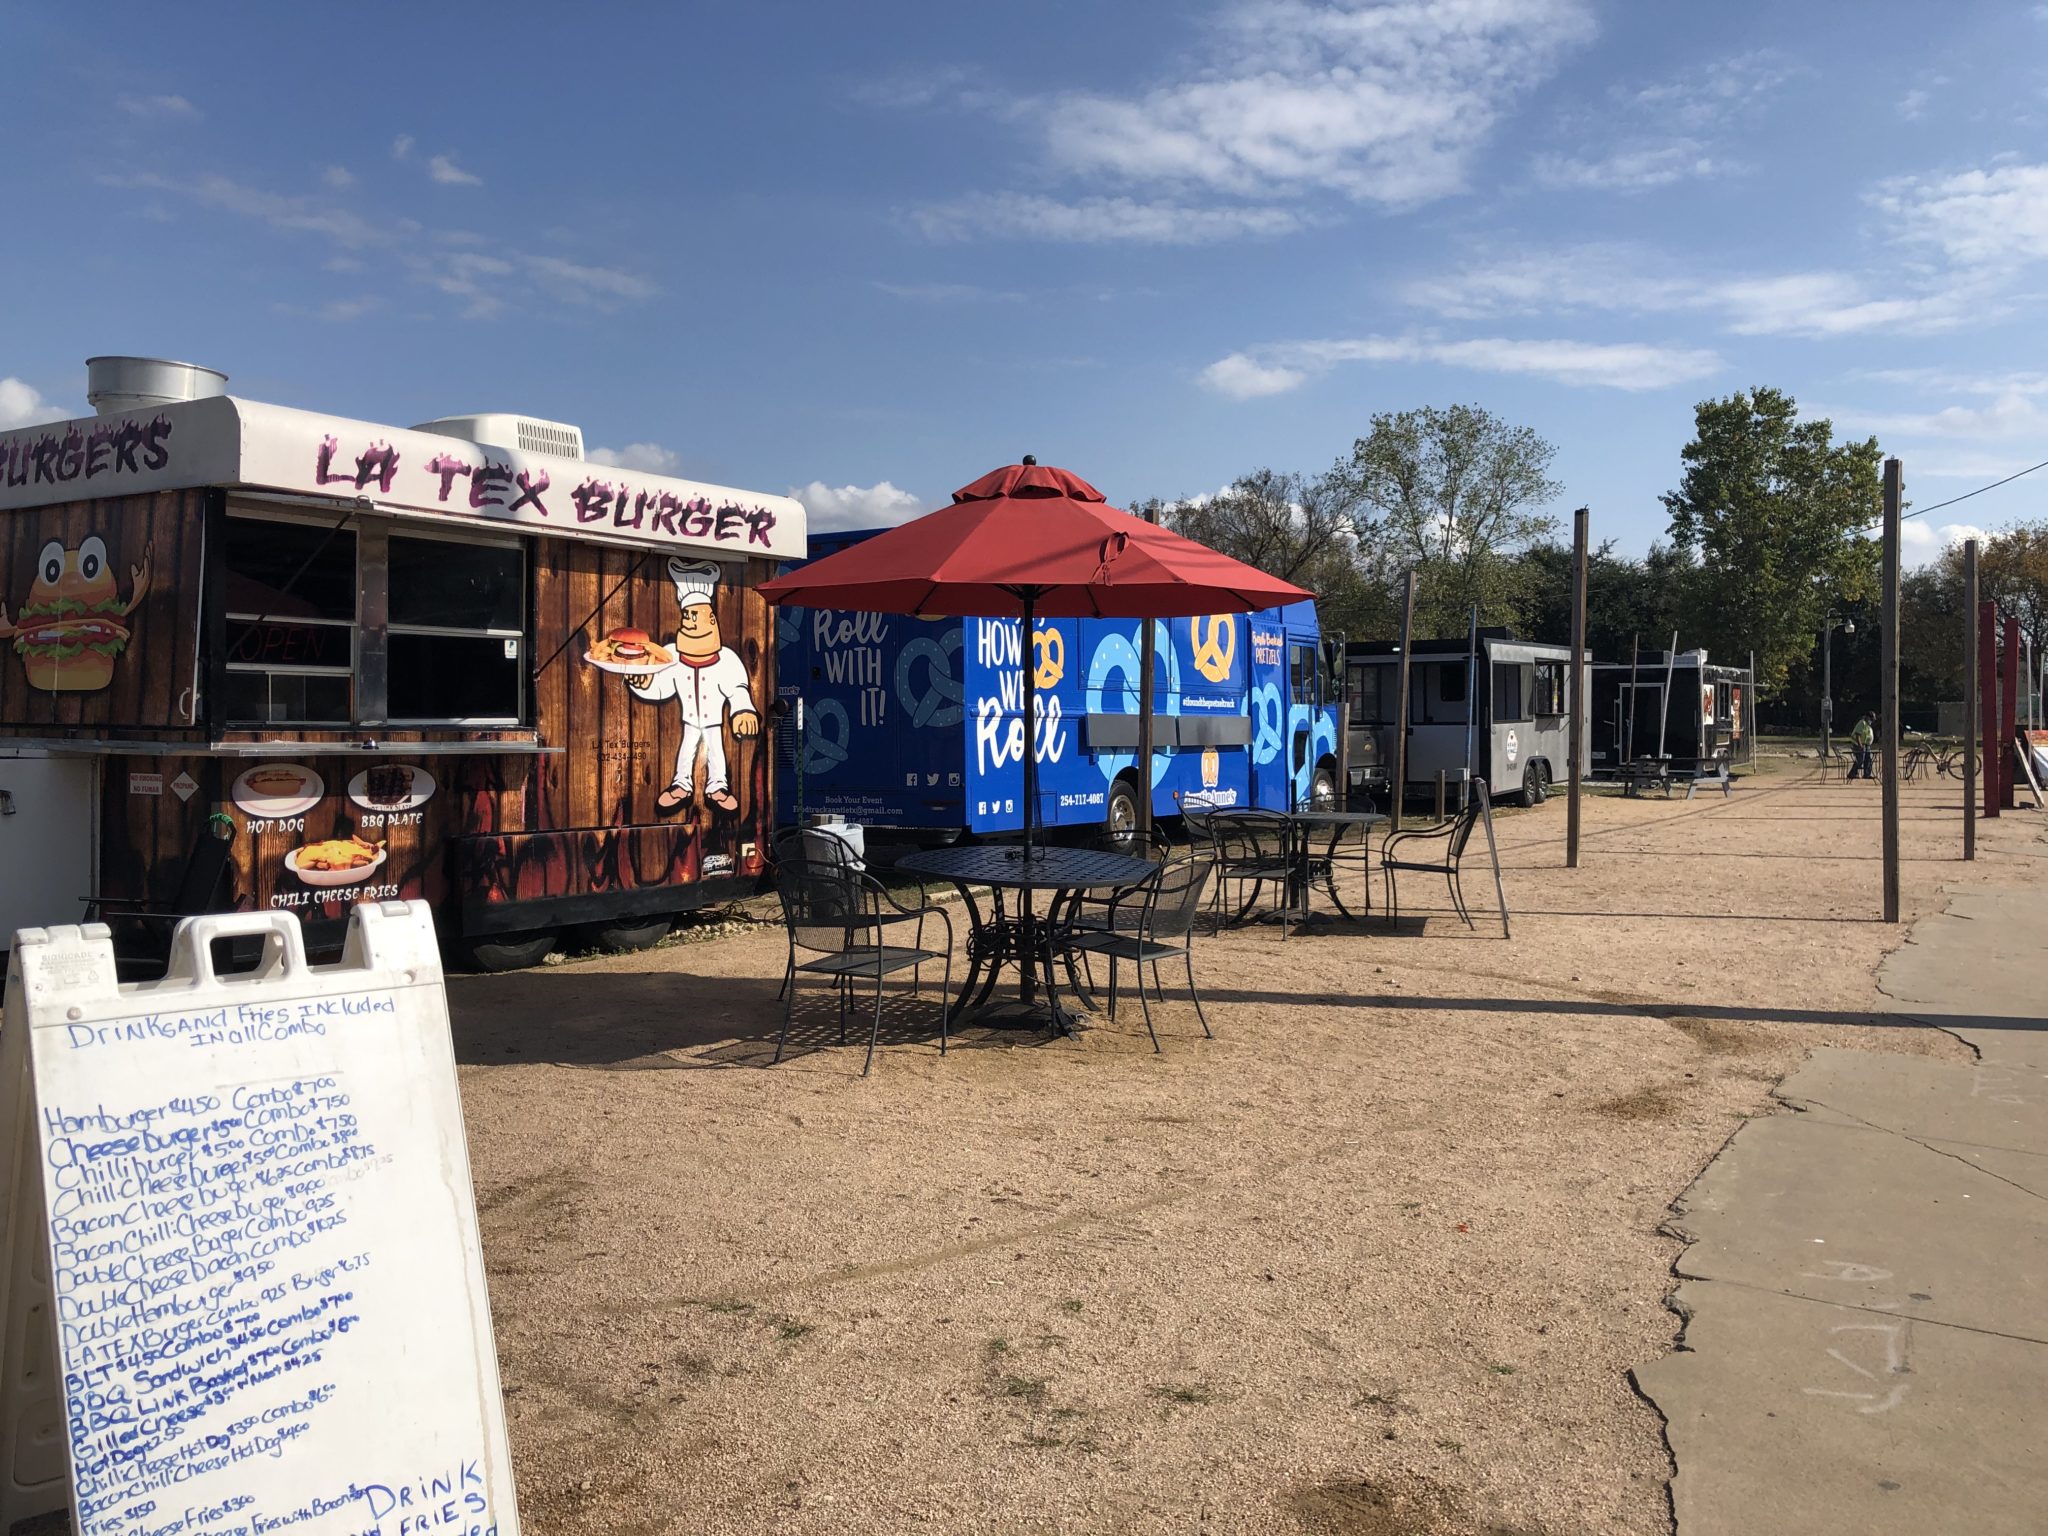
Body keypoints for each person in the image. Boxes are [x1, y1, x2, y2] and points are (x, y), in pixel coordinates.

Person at [627, 559, 761, 815]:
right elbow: (660, 687)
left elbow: (738, 689)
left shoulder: (726, 659)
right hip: (689, 718)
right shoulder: (673, 656)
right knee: (686, 750)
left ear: (711, 619)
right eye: (686, 615)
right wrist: (642, 683)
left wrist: (743, 711)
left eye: (694, 615)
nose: (688, 620)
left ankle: (718, 786)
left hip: (713, 720)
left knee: (716, 750)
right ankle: (681, 784)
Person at [1848, 712, 1875, 780]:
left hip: (1866, 745)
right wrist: (1860, 745)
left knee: (1868, 759)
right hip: (1858, 744)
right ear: (1867, 717)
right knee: (1860, 759)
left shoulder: (1867, 725)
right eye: (1871, 719)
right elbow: (1858, 735)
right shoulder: (1862, 723)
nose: (1872, 721)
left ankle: (1867, 774)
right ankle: (1852, 773)